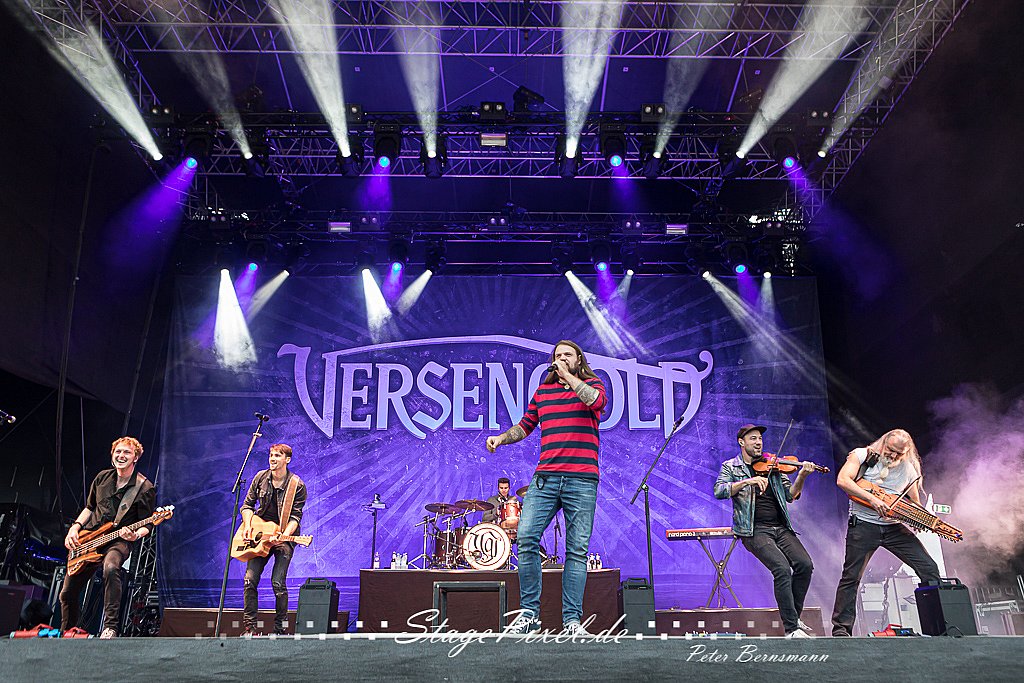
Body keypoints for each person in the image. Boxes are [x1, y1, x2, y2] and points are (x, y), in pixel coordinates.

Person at [486, 340, 607, 635]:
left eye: (567, 355)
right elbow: (525, 425)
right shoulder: (543, 392)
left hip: (581, 479)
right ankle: (530, 615)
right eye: (557, 356)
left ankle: (572, 621)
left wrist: (568, 377)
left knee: (576, 550)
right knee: (526, 537)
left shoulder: (593, 385)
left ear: (579, 360)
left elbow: (596, 402)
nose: (561, 358)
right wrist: (501, 438)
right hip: (546, 478)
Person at [831, 429, 940, 637]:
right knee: (851, 577)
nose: (893, 455)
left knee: (929, 569)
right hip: (863, 525)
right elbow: (843, 480)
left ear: (906, 452)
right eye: (890, 450)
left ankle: (939, 626)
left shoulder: (909, 468)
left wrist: (919, 518)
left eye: (899, 453)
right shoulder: (862, 455)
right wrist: (872, 499)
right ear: (884, 443)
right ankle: (841, 630)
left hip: (893, 527)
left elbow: (914, 502)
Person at [714, 424, 816, 638]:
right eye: (753, 438)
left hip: (780, 527)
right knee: (781, 569)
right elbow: (720, 490)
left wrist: (802, 476)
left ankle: (794, 617)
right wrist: (747, 481)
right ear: (741, 442)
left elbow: (790, 495)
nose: (758, 442)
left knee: (805, 565)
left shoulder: (774, 465)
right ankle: (791, 629)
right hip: (754, 530)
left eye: (760, 438)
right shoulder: (731, 466)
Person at [61, 436, 156, 639]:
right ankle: (67, 632)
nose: (121, 455)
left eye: (127, 452)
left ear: (136, 457)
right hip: (89, 539)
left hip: (118, 540)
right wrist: (75, 528)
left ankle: (110, 627)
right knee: (67, 593)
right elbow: (90, 507)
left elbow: (147, 523)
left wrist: (135, 535)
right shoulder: (102, 477)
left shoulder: (144, 487)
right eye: (118, 452)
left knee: (111, 568)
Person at [239, 443, 307, 636]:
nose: (272, 458)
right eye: (271, 455)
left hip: (283, 537)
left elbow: (295, 517)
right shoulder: (260, 478)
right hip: (259, 536)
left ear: (287, 459)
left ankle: (281, 629)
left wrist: (284, 535)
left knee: (277, 582)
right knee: (249, 580)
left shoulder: (297, 485)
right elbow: (247, 506)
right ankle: (250, 629)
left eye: (277, 455)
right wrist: (248, 525)